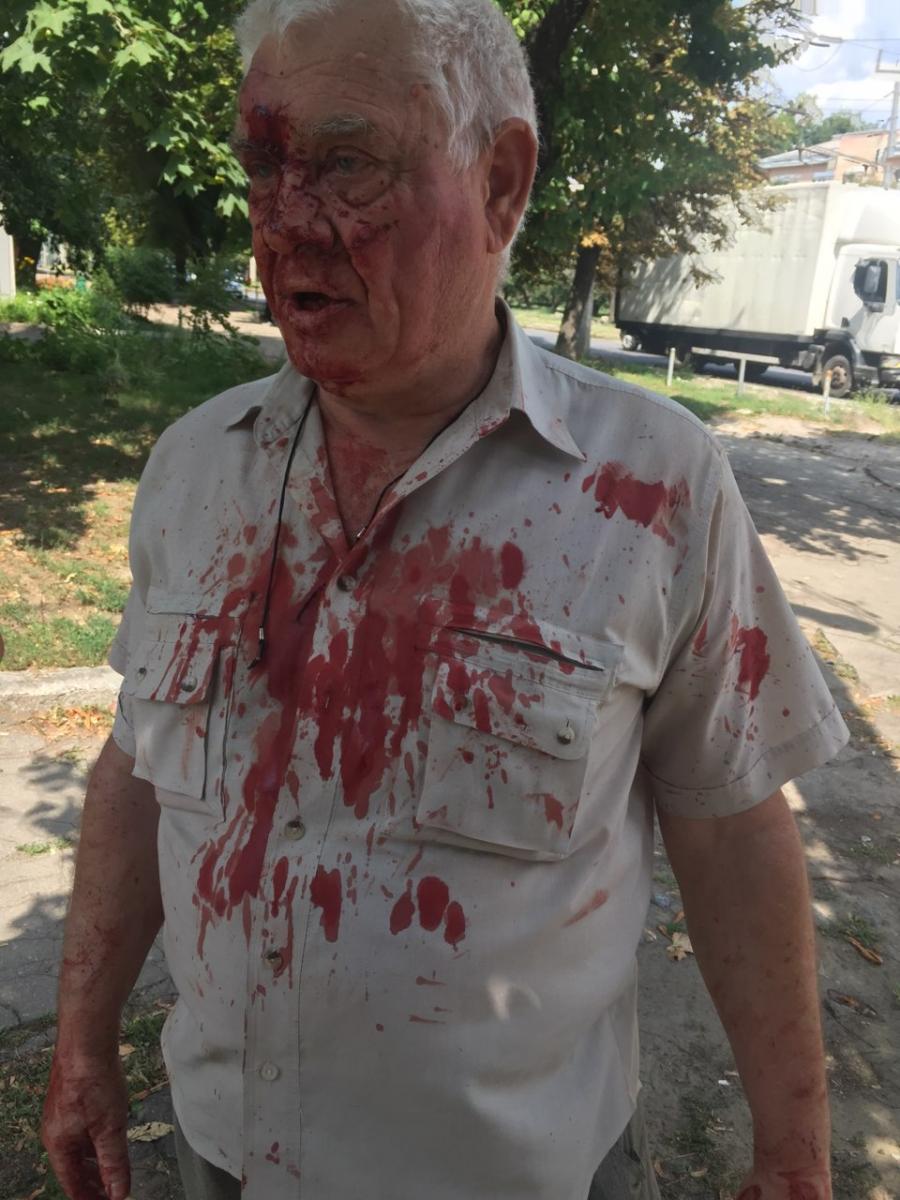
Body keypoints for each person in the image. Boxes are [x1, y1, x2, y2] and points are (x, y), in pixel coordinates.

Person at [42, 2, 848, 1198]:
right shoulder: (195, 467)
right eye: (262, 165)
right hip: (228, 1159)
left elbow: (731, 823)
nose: (286, 225)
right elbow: (139, 770)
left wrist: (793, 1151)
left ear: (502, 182)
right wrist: (82, 1038)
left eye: (346, 164)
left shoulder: (651, 485)